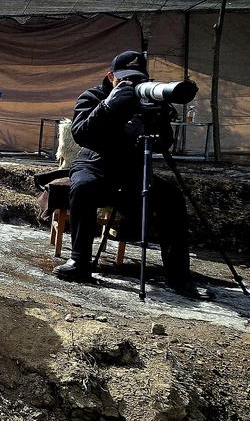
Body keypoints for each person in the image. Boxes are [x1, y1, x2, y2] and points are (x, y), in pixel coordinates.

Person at [52, 50, 204, 297]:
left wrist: (153, 125)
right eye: (125, 79)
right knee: (83, 188)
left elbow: (165, 142)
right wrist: (108, 107)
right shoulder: (93, 96)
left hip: (133, 169)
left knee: (172, 197)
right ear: (110, 76)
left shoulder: (148, 99)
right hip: (95, 164)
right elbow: (81, 134)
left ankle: (179, 277)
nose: (131, 84)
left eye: (137, 78)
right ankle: (79, 262)